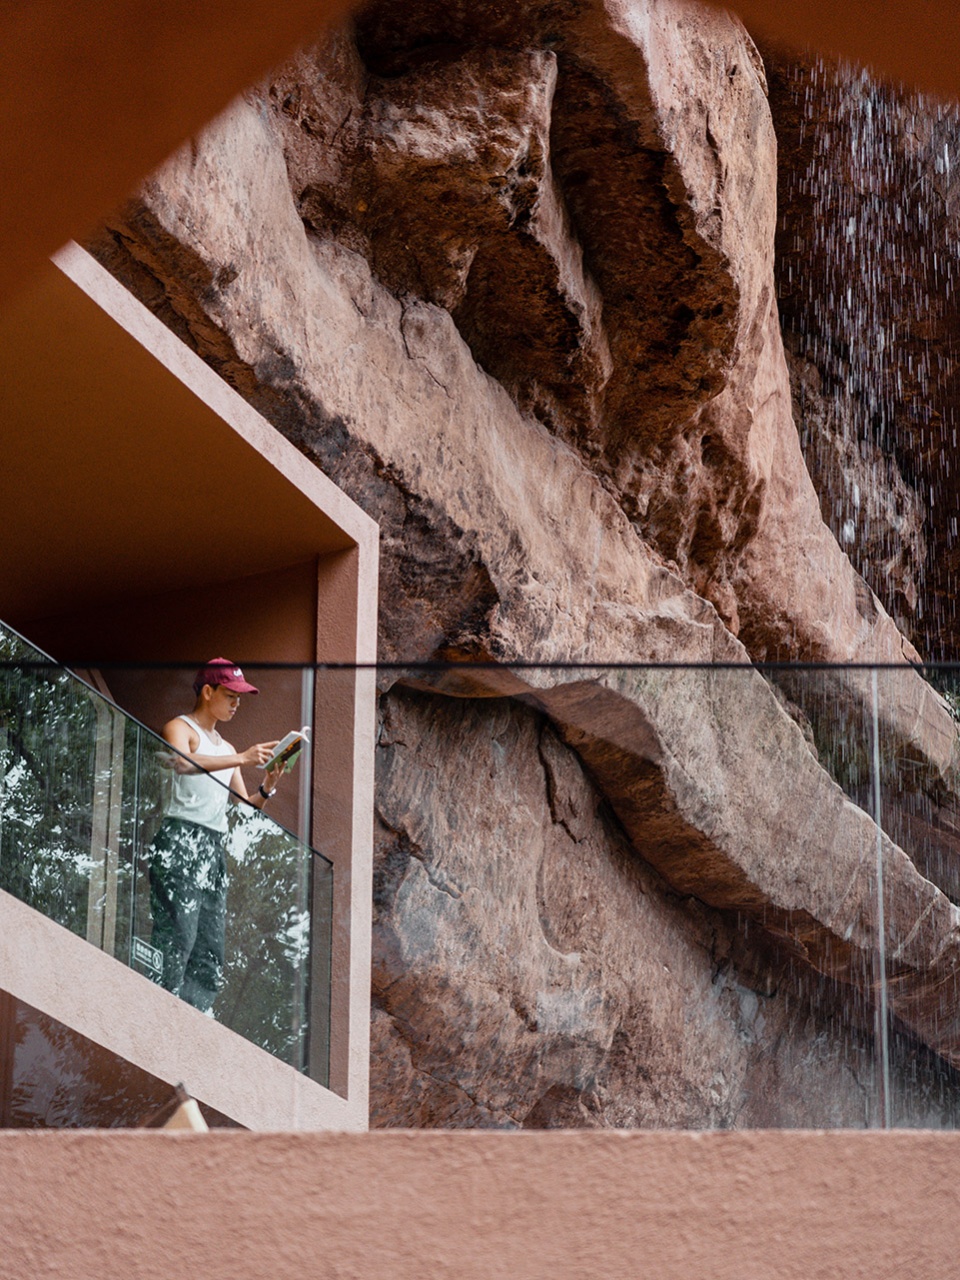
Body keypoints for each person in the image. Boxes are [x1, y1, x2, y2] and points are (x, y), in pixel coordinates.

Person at [148, 658, 285, 1012]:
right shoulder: (181, 727)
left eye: (240, 697)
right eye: (230, 695)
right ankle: (160, 1005)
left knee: (210, 945)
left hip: (213, 847)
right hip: (180, 837)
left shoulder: (226, 750)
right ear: (208, 692)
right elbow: (181, 761)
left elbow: (244, 807)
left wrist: (268, 785)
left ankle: (196, 1017)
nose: (237, 703)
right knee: (179, 932)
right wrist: (242, 757)